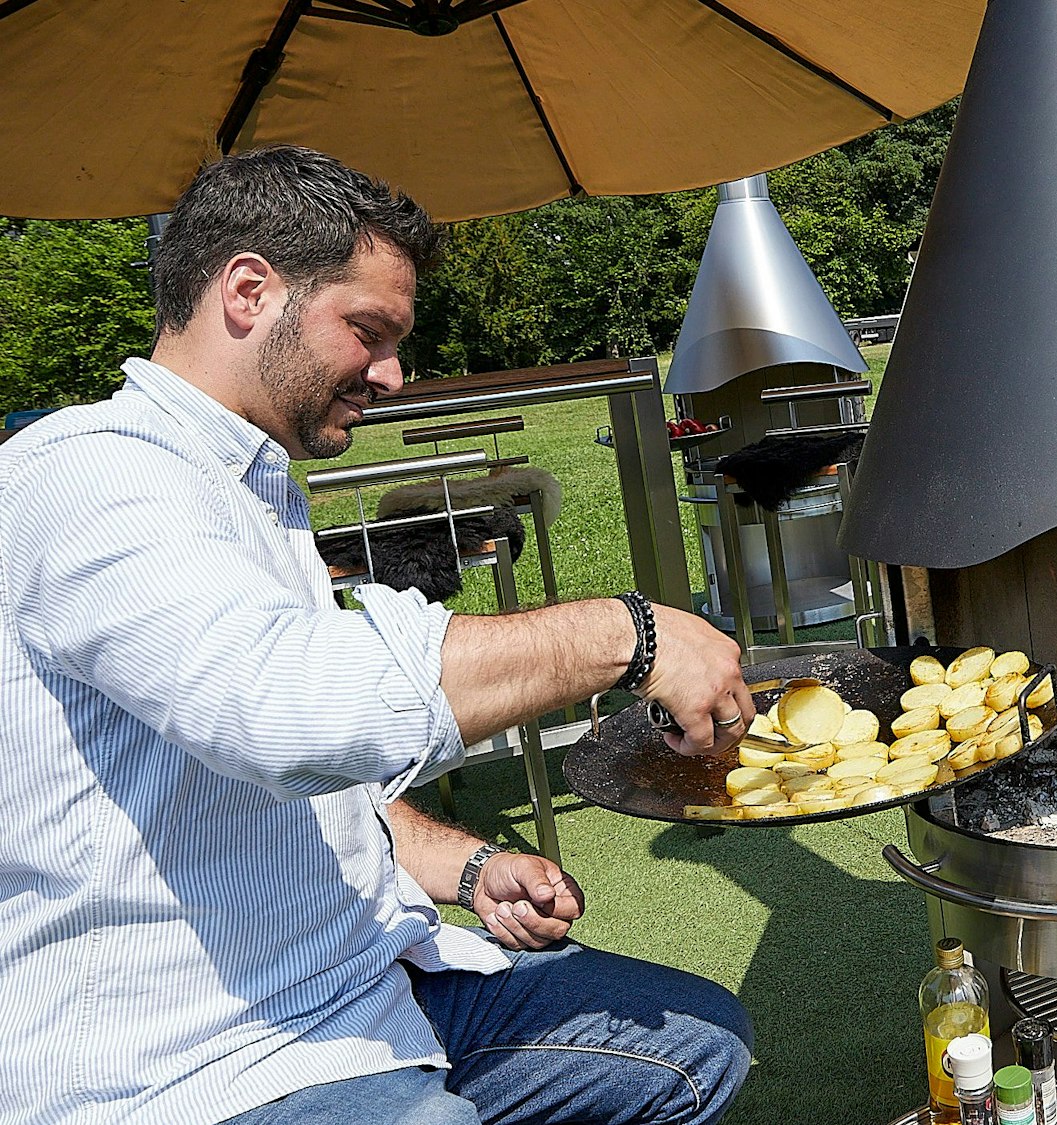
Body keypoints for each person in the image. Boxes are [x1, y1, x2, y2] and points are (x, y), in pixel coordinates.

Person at [0, 147, 756, 1123]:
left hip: (360, 984)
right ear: (247, 292)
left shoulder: (245, 487)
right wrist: (628, 636)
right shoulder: (91, 479)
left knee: (695, 1047)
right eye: (369, 331)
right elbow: (286, 714)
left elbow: (285, 796)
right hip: (188, 1067)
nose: (394, 375)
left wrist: (468, 866)